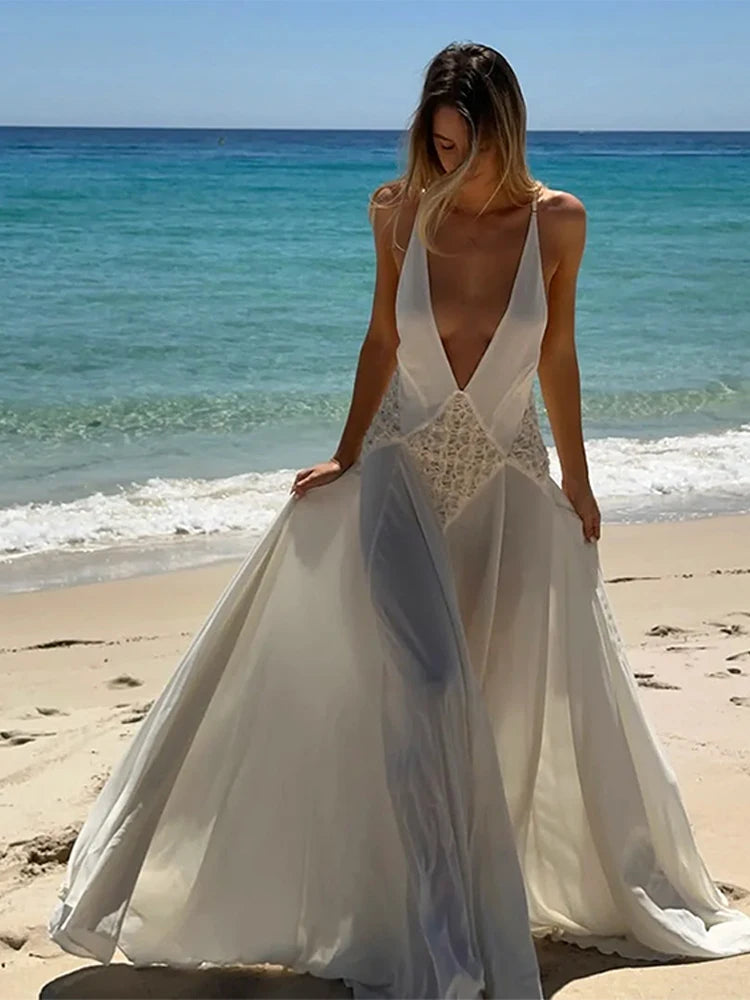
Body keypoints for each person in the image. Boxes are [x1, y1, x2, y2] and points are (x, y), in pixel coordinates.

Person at [48, 41, 750, 1000]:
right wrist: (344, 452)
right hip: (397, 474)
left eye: (466, 145)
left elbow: (559, 358)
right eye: (438, 143)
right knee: (424, 690)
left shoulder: (560, 223)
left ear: (506, 130)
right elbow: (383, 334)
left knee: (486, 702)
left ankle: (452, 900)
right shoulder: (394, 213)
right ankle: (442, 943)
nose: (448, 164)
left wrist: (581, 484)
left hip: (504, 482)